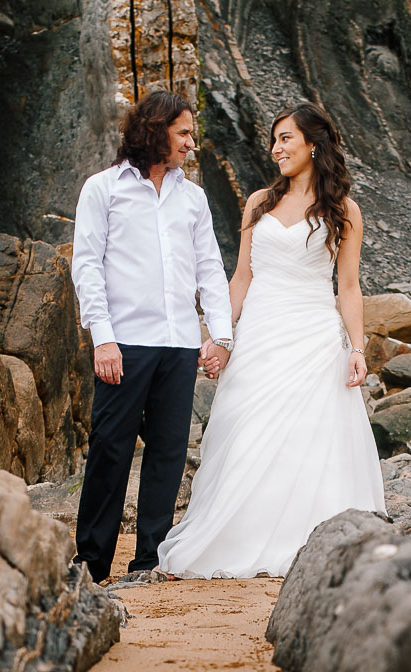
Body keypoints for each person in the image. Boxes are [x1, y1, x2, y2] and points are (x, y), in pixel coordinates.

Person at [158, 102, 386, 579]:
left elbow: (347, 286)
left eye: (286, 138)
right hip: (261, 334)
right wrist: (218, 335)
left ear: (313, 145)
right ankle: (237, 536)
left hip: (314, 337)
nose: (276, 148)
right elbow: (240, 278)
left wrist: (359, 349)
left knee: (311, 439)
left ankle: (309, 542)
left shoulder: (344, 211)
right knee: (247, 433)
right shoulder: (259, 202)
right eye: (274, 139)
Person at [69, 89, 235, 582]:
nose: (191, 142)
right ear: (155, 129)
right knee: (110, 450)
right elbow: (87, 268)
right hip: (123, 342)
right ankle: (92, 562)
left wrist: (220, 337)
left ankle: (150, 560)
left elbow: (210, 269)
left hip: (180, 343)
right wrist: (102, 337)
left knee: (167, 452)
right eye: (183, 131)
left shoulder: (193, 197)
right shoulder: (102, 189)